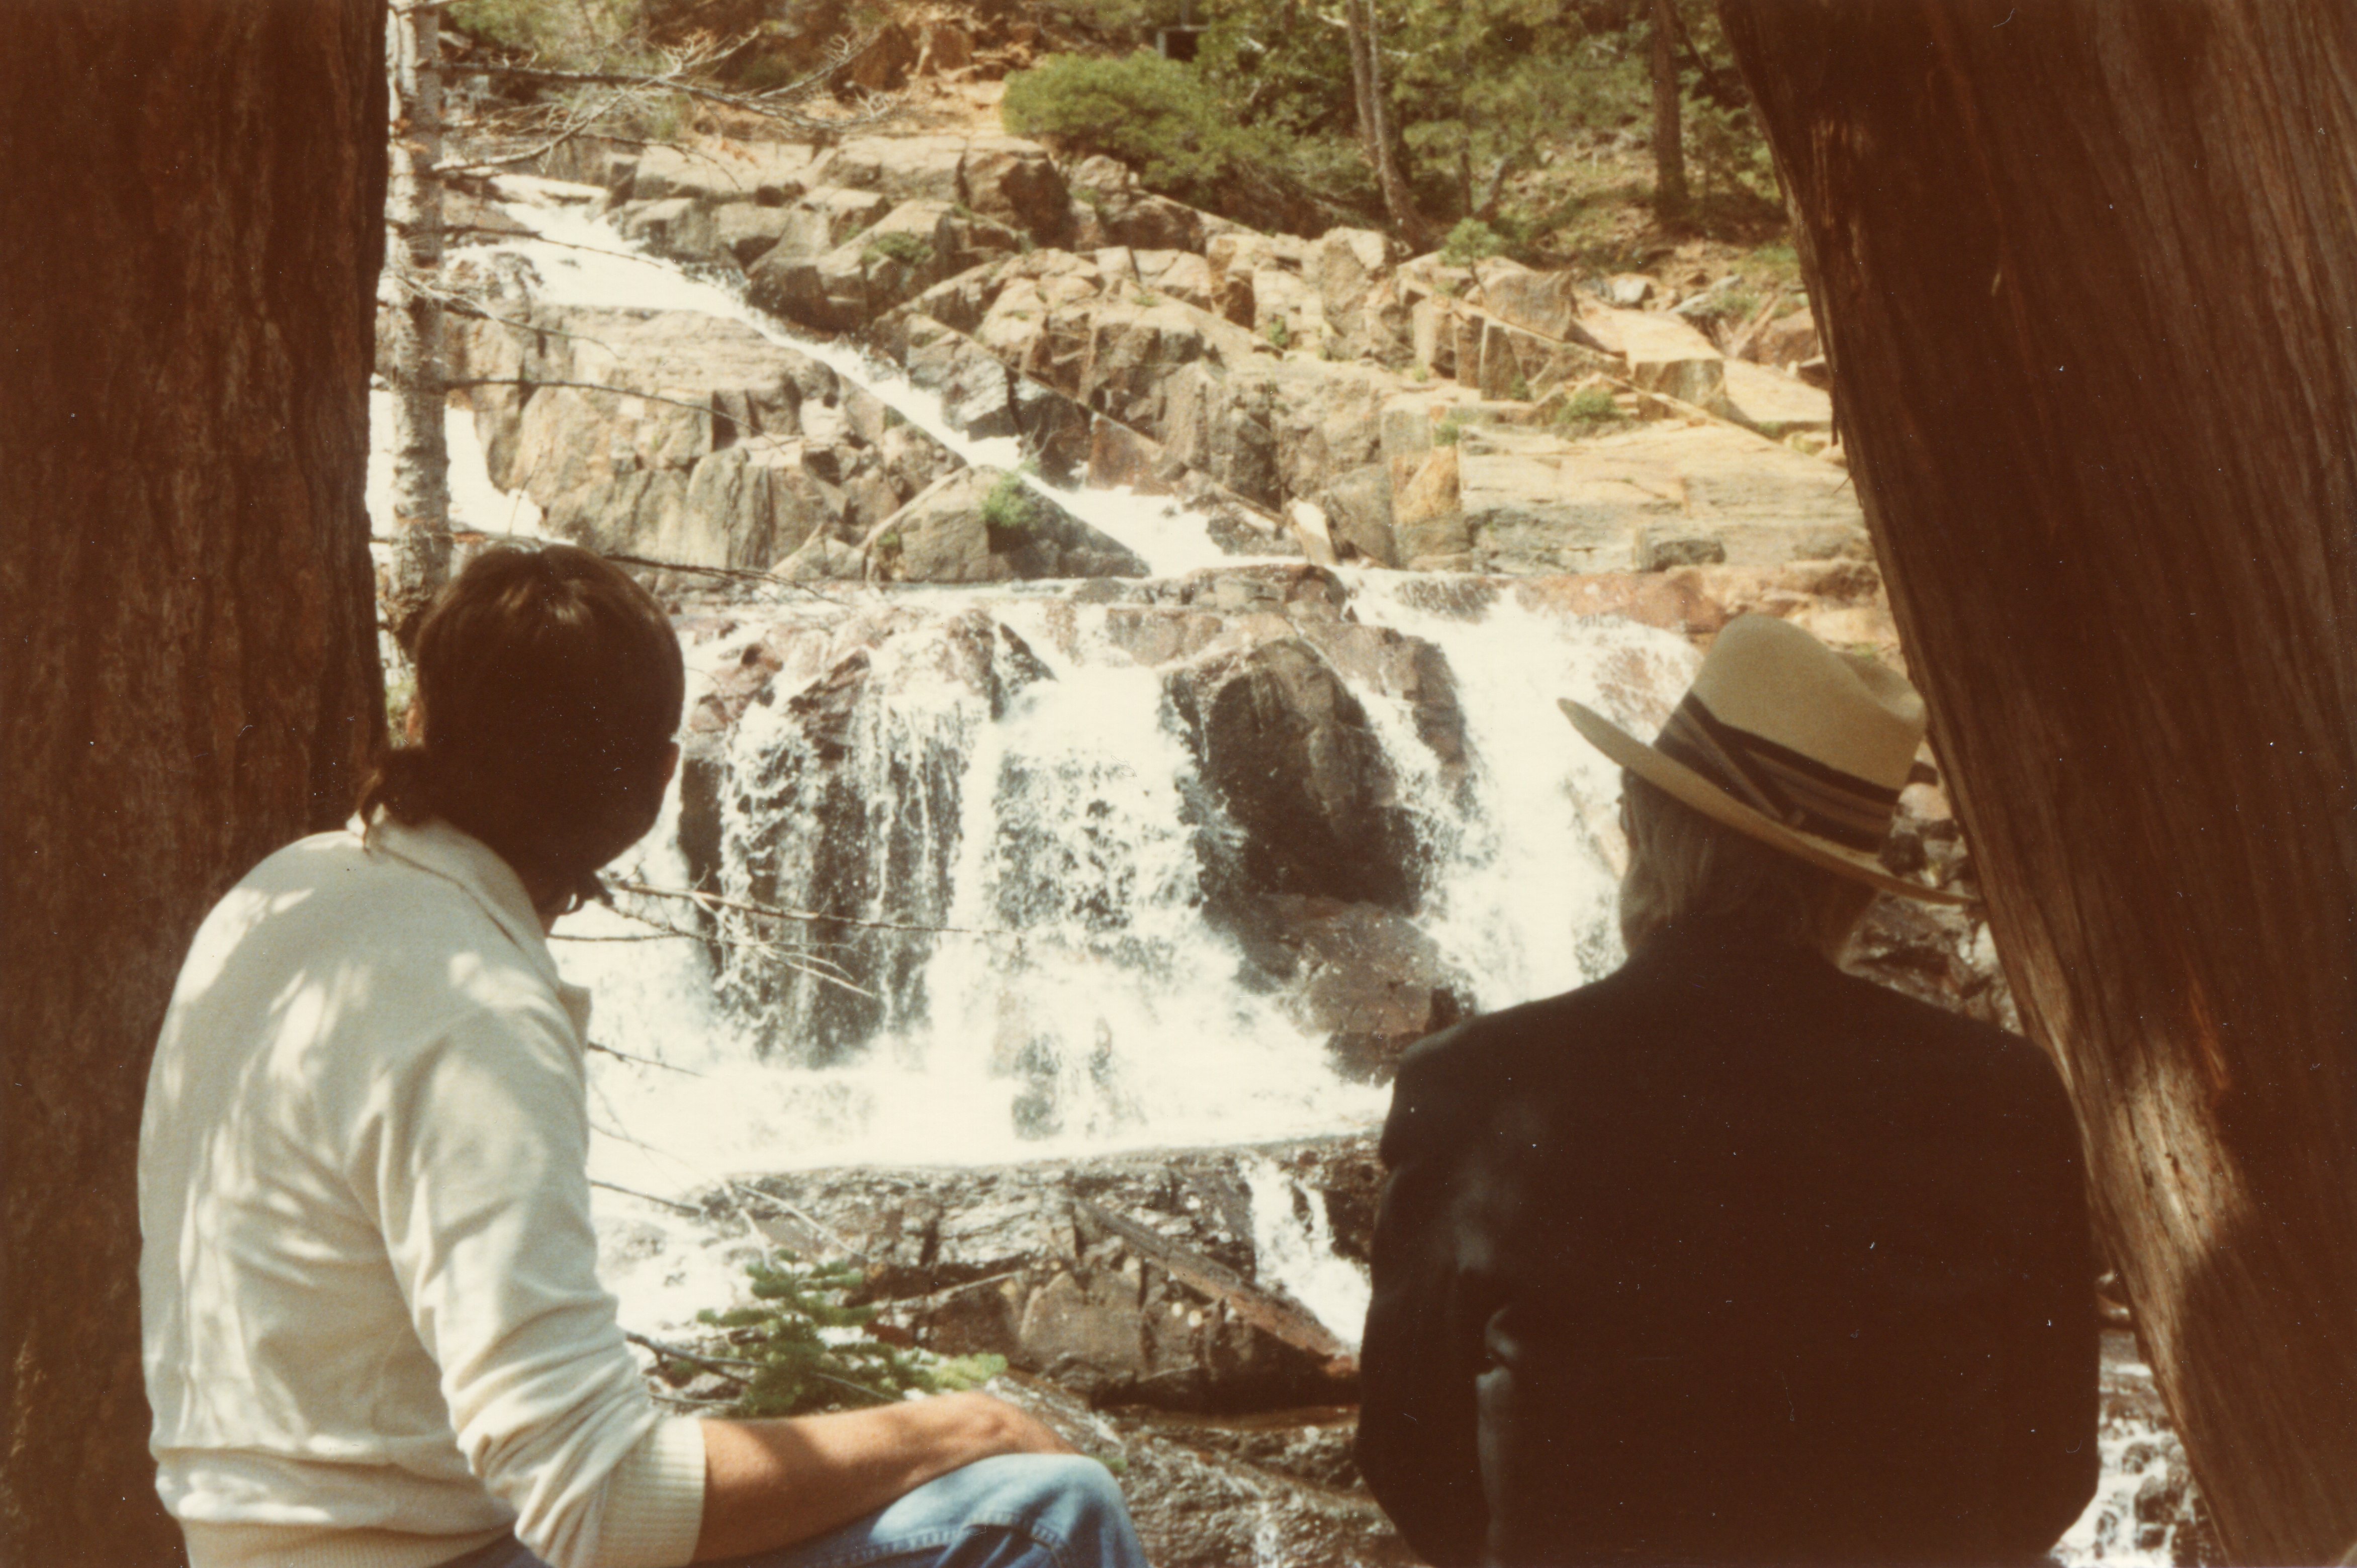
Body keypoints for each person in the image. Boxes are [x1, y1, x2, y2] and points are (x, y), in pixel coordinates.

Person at [139, 545, 1148, 1568]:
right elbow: (601, 1512)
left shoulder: (289, 890)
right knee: (1042, 1511)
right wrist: (962, 1426)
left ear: (423, 723)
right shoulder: (474, 1010)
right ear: (658, 783)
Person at [1355, 614, 2098, 1566]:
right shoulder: (2000, 1091)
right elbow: (2053, 1468)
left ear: (1643, 829)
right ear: (1855, 892)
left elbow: (1410, 1454)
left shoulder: (1473, 1081)